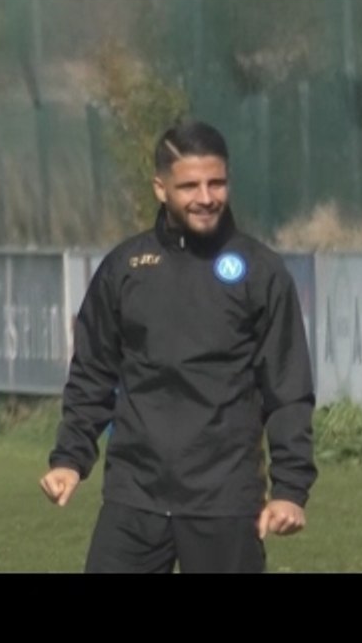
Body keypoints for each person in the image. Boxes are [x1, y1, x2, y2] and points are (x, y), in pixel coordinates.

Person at [39, 120, 317, 573]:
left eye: (216, 183)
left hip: (224, 500)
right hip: (135, 497)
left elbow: (287, 391)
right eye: (189, 185)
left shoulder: (261, 273)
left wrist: (290, 489)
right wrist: (71, 458)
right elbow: (92, 373)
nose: (205, 197)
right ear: (160, 188)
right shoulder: (126, 268)